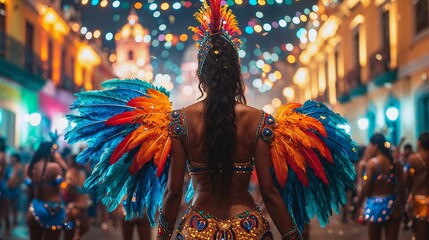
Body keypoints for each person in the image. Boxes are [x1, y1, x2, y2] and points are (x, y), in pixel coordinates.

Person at [65, 1, 357, 240]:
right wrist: (292, 236)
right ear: (236, 74)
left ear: (201, 76)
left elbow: (174, 192)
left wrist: (163, 237)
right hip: (250, 230)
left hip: (196, 230)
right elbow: (268, 192)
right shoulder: (261, 122)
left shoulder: (180, 122)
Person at [356, 134, 405, 240]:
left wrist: (359, 203)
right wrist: (403, 206)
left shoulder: (372, 163)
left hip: (375, 206)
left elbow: (366, 187)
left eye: (370, 145)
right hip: (393, 205)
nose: (369, 148)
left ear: (375, 146)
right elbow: (401, 187)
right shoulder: (395, 163)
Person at [25, 142, 69, 240]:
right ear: (52, 152)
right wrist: (62, 163)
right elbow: (63, 187)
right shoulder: (54, 167)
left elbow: (29, 190)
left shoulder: (30, 166)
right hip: (53, 210)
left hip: (34, 208)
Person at [404, 132, 429, 240]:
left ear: (419, 143)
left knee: (420, 234)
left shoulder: (412, 159)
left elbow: (405, 179)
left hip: (419, 199)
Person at [62, 154, 90, 240]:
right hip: (83, 204)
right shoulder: (82, 172)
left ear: (71, 161)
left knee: (69, 231)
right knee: (82, 228)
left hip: (73, 205)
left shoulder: (70, 172)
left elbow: (66, 189)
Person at [5, 153, 24, 228]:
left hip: (16, 189)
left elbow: (21, 178)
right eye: (11, 158)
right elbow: (6, 177)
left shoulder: (19, 167)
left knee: (14, 206)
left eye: (13, 158)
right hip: (8, 189)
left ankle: (15, 221)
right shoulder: (8, 167)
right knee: (8, 206)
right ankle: (8, 222)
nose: (12, 159)